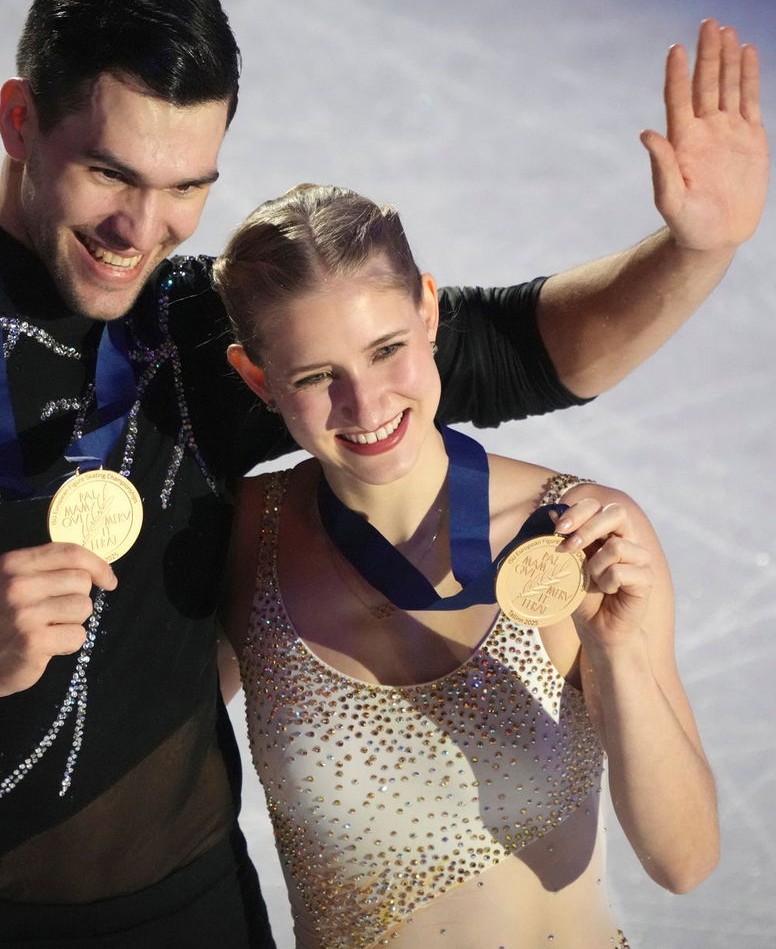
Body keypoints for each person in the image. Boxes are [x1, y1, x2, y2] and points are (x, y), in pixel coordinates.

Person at [0, 0, 765, 948]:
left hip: (197, 919)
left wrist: (693, 252)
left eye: (187, 186)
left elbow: (514, 350)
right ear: (19, 119)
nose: (141, 231)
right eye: (110, 174)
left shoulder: (197, 334)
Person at [213, 184, 719, 948]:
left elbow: (685, 861)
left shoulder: (573, 535)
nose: (366, 402)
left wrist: (617, 653)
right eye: (319, 377)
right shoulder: (247, 542)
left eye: (387, 349)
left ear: (428, 312)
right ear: (258, 378)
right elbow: (144, 759)